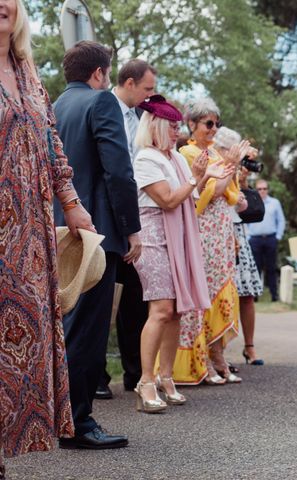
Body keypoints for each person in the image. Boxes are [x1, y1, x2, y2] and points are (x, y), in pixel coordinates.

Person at [0, 0, 93, 472]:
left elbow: (52, 143)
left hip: (29, 238)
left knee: (20, 344)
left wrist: (73, 204)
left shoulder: (28, 70)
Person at [53, 41, 141, 449]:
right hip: (96, 234)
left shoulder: (55, 107)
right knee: (88, 331)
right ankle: (78, 423)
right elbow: (119, 172)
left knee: (66, 327)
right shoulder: (101, 103)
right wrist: (131, 230)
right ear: (100, 73)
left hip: (60, 230)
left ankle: (60, 416)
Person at [132, 95, 228, 412]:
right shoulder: (146, 159)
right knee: (160, 309)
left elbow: (188, 194)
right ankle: (145, 381)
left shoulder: (173, 158)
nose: (177, 132)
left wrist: (200, 176)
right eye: (173, 127)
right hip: (155, 237)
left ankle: (166, 376)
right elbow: (169, 200)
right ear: (157, 127)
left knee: (175, 311)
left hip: (178, 236)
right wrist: (194, 176)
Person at [96, 59, 157, 399]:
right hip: (108, 220)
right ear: (129, 82)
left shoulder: (140, 118)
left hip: (136, 220)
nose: (150, 95)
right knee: (102, 302)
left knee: (135, 299)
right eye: (147, 88)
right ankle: (98, 376)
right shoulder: (102, 107)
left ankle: (135, 374)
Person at [175, 102, 248, 385]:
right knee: (204, 294)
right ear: (192, 125)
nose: (214, 129)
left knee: (222, 291)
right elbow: (211, 191)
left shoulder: (215, 153)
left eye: (217, 124)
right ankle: (201, 360)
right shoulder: (187, 153)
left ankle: (217, 355)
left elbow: (231, 193)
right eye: (208, 123)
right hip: (202, 229)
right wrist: (232, 164)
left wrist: (231, 167)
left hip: (221, 230)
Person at [235, 166, 265, 365]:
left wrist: (243, 182)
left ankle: (249, 346)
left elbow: (254, 211)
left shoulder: (238, 178)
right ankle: (215, 352)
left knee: (246, 295)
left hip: (238, 234)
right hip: (216, 233)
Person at [248, 179, 286, 302]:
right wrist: (248, 237)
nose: (262, 191)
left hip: (270, 239)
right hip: (255, 240)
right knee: (255, 268)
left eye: (264, 188)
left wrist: (278, 236)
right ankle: (255, 295)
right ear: (256, 190)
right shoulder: (251, 202)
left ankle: (274, 294)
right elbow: (246, 221)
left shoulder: (275, 203)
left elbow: (281, 220)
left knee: (271, 268)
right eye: (259, 189)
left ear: (267, 189)